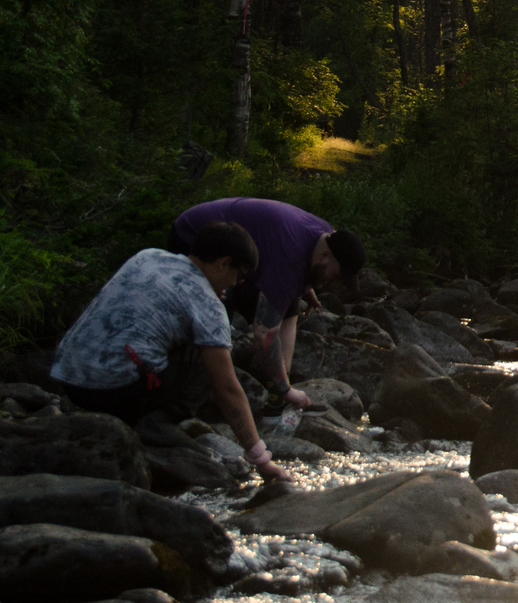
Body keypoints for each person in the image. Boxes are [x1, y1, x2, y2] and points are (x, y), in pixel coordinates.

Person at [49, 221, 293, 482]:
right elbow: (227, 389)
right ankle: (157, 423)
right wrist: (262, 460)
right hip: (111, 392)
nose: (236, 283)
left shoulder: (148, 256)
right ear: (224, 263)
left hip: (69, 378)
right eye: (239, 275)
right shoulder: (208, 306)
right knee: (211, 352)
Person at [168, 197, 365, 401]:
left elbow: (292, 301)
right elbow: (264, 334)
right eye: (337, 275)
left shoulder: (326, 236)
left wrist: (306, 289)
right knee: (215, 324)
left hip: (238, 251)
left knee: (288, 304)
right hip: (193, 235)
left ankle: (279, 389)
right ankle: (182, 396)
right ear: (325, 256)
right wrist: (286, 391)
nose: (336, 283)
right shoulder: (290, 259)